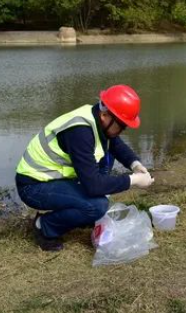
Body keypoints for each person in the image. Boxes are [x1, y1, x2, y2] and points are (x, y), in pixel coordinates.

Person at [15, 85, 154, 251]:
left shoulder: (97, 118)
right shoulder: (80, 132)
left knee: (107, 156)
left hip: (54, 180)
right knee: (97, 206)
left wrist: (135, 164)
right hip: (33, 186)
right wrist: (134, 180)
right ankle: (44, 226)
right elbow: (94, 186)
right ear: (104, 115)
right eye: (122, 126)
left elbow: (115, 144)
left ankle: (81, 212)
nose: (122, 130)